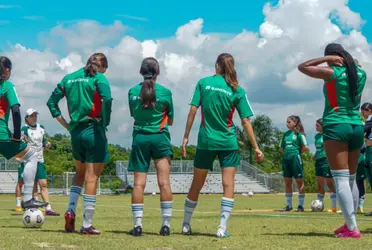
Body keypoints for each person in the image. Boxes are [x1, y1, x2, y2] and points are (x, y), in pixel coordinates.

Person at [181, 53, 264, 238]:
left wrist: (185, 137)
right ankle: (221, 228)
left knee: (197, 183)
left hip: (206, 141)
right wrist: (256, 146)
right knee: (228, 185)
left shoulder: (203, 83)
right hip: (228, 142)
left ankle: (186, 224)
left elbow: (193, 111)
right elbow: (246, 121)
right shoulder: (237, 90)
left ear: (217, 65)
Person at [298, 43, 366, 238]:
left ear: (333, 57)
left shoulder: (331, 72)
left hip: (337, 125)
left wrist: (325, 60)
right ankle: (348, 223)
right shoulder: (360, 73)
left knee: (341, 179)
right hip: (356, 125)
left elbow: (302, 67)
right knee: (351, 179)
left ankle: (352, 228)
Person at [47, 53, 112, 235]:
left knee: (79, 174)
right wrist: (104, 122)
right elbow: (107, 100)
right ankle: (87, 224)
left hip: (75, 133)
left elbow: (51, 102)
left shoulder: (68, 78)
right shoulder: (99, 78)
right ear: (102, 67)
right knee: (92, 178)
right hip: (93, 130)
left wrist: (66, 125)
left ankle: (70, 209)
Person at [127, 57, 174, 237]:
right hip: (160, 137)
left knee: (139, 184)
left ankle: (138, 226)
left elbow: (134, 114)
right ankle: (166, 226)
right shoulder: (166, 92)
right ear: (158, 71)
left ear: (141, 71)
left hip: (140, 138)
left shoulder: (132, 91)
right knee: (164, 183)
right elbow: (170, 119)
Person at [0, 56, 48, 209]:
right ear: (7, 70)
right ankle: (28, 198)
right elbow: (15, 110)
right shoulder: (7, 85)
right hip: (1, 134)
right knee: (31, 156)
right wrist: (15, 135)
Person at [15, 108, 60, 216]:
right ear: (27, 118)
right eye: (32, 116)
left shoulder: (41, 128)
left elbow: (44, 142)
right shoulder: (24, 129)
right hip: (28, 160)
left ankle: (48, 208)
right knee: (29, 184)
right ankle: (28, 205)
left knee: (43, 184)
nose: (34, 117)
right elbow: (20, 143)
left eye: (35, 115)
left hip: (40, 159)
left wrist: (47, 144)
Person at [279, 115, 309, 212]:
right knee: (287, 182)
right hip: (286, 161)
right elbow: (281, 148)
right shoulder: (285, 134)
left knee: (299, 182)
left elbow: (306, 147)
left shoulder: (299, 134)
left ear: (295, 123)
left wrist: (297, 153)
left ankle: (300, 206)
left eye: (289, 122)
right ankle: (289, 205)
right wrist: (287, 155)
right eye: (287, 122)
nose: (287, 124)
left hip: (296, 160)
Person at [314, 118, 338, 213]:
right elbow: (318, 149)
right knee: (320, 185)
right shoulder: (316, 136)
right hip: (318, 161)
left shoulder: (328, 135)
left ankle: (334, 207)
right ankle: (319, 205)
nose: (316, 127)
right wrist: (315, 156)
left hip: (327, 160)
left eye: (317, 125)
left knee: (329, 183)